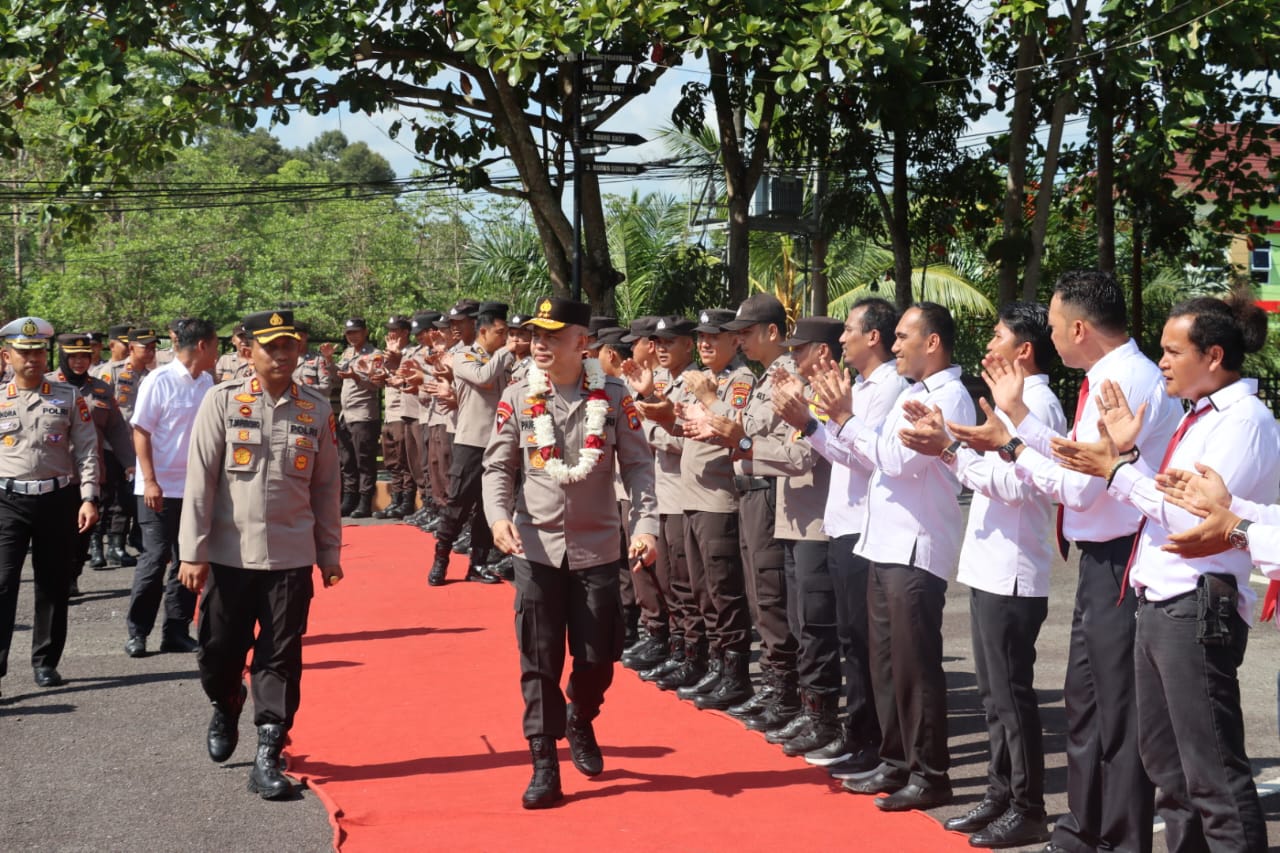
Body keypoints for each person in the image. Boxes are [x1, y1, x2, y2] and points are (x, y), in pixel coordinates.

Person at [947, 270, 1180, 853]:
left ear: (1079, 327)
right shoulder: (1107, 375)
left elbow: (1078, 489)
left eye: (1053, 326)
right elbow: (1074, 468)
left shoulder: (1126, 381)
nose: (1049, 338)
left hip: (1123, 555)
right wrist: (1014, 432)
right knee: (1087, 702)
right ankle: (1083, 827)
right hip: (1101, 558)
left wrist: (1016, 430)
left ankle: (1117, 837)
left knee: (1114, 711)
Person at [1048, 293, 1278, 852]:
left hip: (1196, 603)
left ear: (1214, 356)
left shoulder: (1244, 421)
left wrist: (1121, 470)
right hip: (1162, 601)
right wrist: (1130, 462)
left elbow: (1191, 519)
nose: (1164, 362)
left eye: (1174, 351)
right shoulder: (1203, 416)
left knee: (1212, 774)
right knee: (1168, 771)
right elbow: (1170, 498)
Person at [897, 303, 1064, 848]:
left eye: (998, 338)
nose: (988, 348)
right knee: (994, 697)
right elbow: (994, 469)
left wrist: (953, 450)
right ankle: (1000, 793)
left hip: (1015, 569)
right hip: (992, 566)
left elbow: (1021, 485)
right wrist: (960, 447)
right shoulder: (1018, 404)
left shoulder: (1039, 405)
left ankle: (1027, 804)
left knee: (1012, 696)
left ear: (1025, 352)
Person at [482, 296, 658, 809]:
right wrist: (497, 518)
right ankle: (543, 763)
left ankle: (581, 715)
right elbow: (498, 468)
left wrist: (645, 526)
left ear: (581, 342)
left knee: (598, 658)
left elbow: (640, 467)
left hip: (599, 548)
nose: (539, 343)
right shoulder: (517, 396)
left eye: (552, 335)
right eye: (536, 334)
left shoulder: (614, 394)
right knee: (538, 660)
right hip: (534, 547)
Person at [810, 302, 975, 812]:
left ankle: (931, 774)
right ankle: (896, 758)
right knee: (885, 663)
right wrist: (834, 424)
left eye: (904, 337)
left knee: (914, 668)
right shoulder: (916, 392)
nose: (895, 345)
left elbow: (896, 460)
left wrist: (843, 418)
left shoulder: (949, 397)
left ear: (932, 342)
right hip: (884, 543)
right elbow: (871, 453)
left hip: (915, 545)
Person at [177, 309, 343, 801]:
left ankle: (269, 749)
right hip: (229, 556)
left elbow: (327, 486)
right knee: (217, 651)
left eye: (289, 344)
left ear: (300, 349)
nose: (281, 353)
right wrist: (193, 551)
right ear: (248, 349)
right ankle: (227, 703)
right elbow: (200, 481)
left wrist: (329, 551)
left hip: (290, 557)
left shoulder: (316, 407)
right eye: (271, 345)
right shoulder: (222, 401)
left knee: (281, 656)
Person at [772, 298, 906, 776]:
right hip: (844, 523)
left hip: (866, 526)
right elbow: (839, 451)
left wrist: (828, 420)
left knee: (867, 645)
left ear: (874, 337)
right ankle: (861, 734)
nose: (842, 338)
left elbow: (868, 458)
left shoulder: (890, 388)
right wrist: (810, 423)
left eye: (849, 330)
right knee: (852, 640)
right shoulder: (862, 385)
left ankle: (878, 743)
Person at [0, 317, 99, 695]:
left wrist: (89, 496)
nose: (33, 359)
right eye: (24, 353)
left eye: (39, 351)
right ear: (7, 356)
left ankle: (45, 662)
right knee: (2, 584)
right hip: (7, 500)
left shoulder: (69, 397)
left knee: (53, 585)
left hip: (57, 498)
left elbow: (88, 449)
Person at [124, 318, 218, 658]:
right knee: (154, 559)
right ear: (203, 346)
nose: (219, 351)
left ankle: (176, 631)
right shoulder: (158, 380)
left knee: (189, 560)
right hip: (158, 489)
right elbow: (141, 432)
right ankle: (138, 631)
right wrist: (149, 480)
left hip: (195, 489)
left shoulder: (207, 382)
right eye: (216, 344)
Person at [429, 301, 512, 585]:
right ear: (484, 331)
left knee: (490, 506)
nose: (505, 338)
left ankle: (478, 563)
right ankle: (441, 559)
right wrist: (507, 351)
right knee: (457, 504)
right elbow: (484, 378)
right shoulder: (464, 356)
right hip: (471, 440)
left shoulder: (504, 358)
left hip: (500, 441)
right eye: (500, 333)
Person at [46, 333, 135, 594]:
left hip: (90, 473)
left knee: (83, 530)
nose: (79, 362)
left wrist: (129, 461)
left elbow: (117, 429)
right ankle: (54, 578)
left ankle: (72, 576)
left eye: (84, 356)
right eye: (73, 357)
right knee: (55, 531)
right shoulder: (46, 384)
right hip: (54, 472)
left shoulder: (100, 389)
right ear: (62, 357)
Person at [335, 317, 384, 518]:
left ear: (365, 332)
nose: (352, 336)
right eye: (349, 333)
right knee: (347, 460)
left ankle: (364, 500)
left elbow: (376, 384)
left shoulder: (375, 355)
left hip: (363, 413)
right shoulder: (347, 353)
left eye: (356, 332)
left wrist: (356, 376)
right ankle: (350, 498)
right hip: (345, 415)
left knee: (364, 460)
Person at [373, 316, 415, 519]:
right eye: (389, 330)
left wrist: (397, 359)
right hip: (389, 412)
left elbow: (410, 376)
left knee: (404, 458)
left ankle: (407, 501)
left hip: (404, 412)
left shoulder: (412, 353)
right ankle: (396, 499)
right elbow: (384, 382)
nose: (391, 334)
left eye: (395, 330)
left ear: (405, 332)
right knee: (392, 460)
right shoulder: (388, 354)